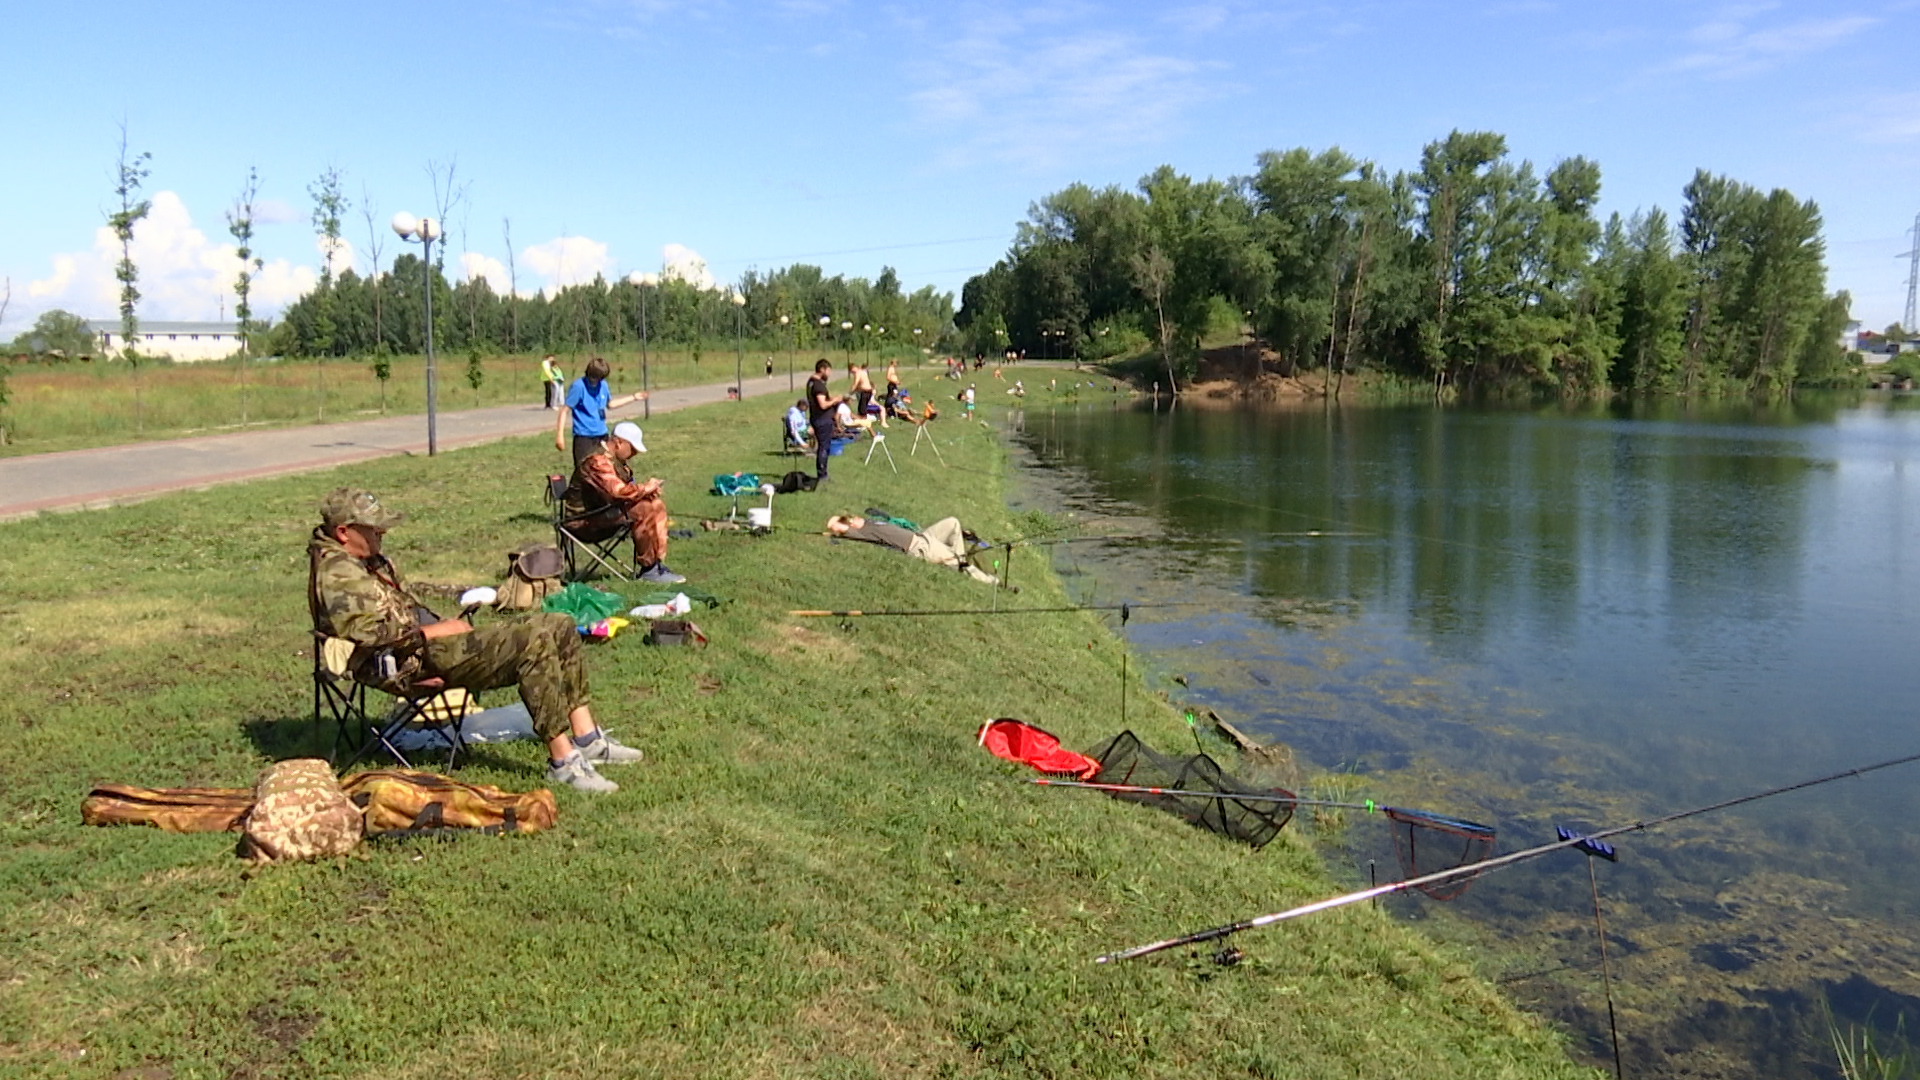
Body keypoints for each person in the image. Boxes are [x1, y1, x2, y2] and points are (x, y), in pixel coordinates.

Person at [308, 488, 639, 794]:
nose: (383, 533)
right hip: (406, 661)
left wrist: (444, 623)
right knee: (535, 640)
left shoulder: (367, 560)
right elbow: (366, 636)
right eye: (374, 529)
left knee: (560, 624)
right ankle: (563, 762)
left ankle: (587, 739)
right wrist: (431, 632)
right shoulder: (337, 574)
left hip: (431, 646)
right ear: (343, 532)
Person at [563, 421, 683, 585]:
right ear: (619, 442)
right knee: (644, 509)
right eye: (632, 449)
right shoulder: (597, 461)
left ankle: (657, 564)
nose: (634, 453)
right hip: (583, 522)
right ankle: (649, 569)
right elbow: (617, 491)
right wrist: (645, 488)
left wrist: (647, 492)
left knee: (655, 504)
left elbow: (623, 492)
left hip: (602, 514)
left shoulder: (616, 460)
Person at [826, 514, 996, 583]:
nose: (853, 518)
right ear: (849, 527)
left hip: (923, 536)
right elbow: (833, 525)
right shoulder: (862, 533)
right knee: (959, 562)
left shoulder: (869, 522)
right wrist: (839, 524)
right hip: (920, 547)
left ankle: (959, 559)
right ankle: (990, 582)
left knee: (953, 522)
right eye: (848, 520)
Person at [555, 357, 647, 468]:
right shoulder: (578, 386)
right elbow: (564, 410)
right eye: (594, 379)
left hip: (602, 435)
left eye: (599, 379)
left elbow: (610, 404)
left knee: (606, 468)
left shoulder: (603, 385)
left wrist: (633, 397)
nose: (596, 382)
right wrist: (560, 436)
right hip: (584, 437)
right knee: (586, 471)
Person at [806, 359, 846, 483]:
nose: (829, 374)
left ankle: (822, 473)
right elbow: (823, 404)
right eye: (828, 371)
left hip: (817, 418)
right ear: (822, 369)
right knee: (824, 447)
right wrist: (835, 400)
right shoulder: (818, 385)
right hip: (822, 420)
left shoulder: (811, 382)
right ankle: (822, 475)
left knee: (823, 446)